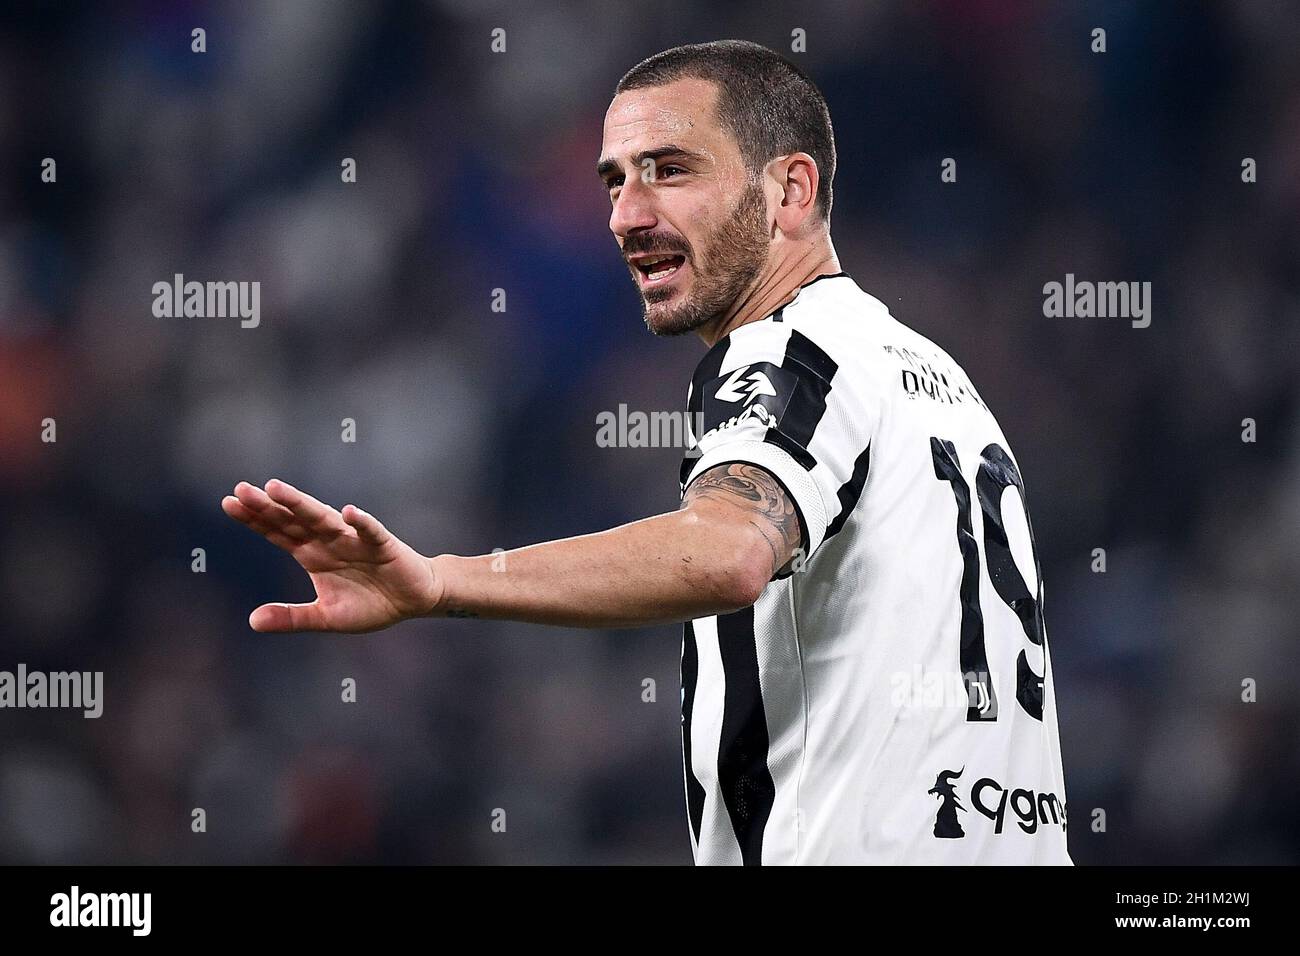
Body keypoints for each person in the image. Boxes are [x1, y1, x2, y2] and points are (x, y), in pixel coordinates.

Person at [223, 39, 1071, 865]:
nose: (628, 214)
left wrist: (442, 581)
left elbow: (730, 551)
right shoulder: (941, 384)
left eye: (671, 170)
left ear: (790, 190)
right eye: (615, 181)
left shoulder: (789, 352)